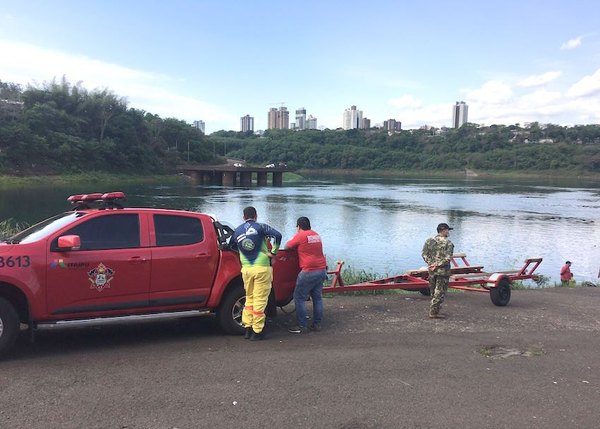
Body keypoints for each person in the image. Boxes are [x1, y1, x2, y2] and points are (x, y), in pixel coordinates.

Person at [230, 206, 282, 341]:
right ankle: (257, 332)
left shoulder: (237, 231)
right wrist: (274, 252)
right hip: (262, 268)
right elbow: (278, 235)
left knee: (249, 298)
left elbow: (231, 246)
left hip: (246, 269)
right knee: (260, 300)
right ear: (256, 215)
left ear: (243, 217)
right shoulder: (261, 227)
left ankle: (247, 328)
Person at [285, 216, 328, 334]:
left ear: (299, 227)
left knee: (299, 297)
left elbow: (287, 246)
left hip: (309, 271)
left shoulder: (301, 235)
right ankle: (317, 324)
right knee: (317, 298)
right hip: (321, 270)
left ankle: (302, 326)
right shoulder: (316, 235)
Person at [421, 223, 455, 319]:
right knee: (439, 292)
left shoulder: (429, 241)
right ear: (443, 230)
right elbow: (448, 258)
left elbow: (424, 254)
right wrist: (437, 265)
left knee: (433, 291)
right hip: (443, 272)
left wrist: (431, 264)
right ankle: (433, 313)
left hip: (432, 270)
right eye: (448, 230)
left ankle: (436, 309)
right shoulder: (448, 243)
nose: (448, 232)